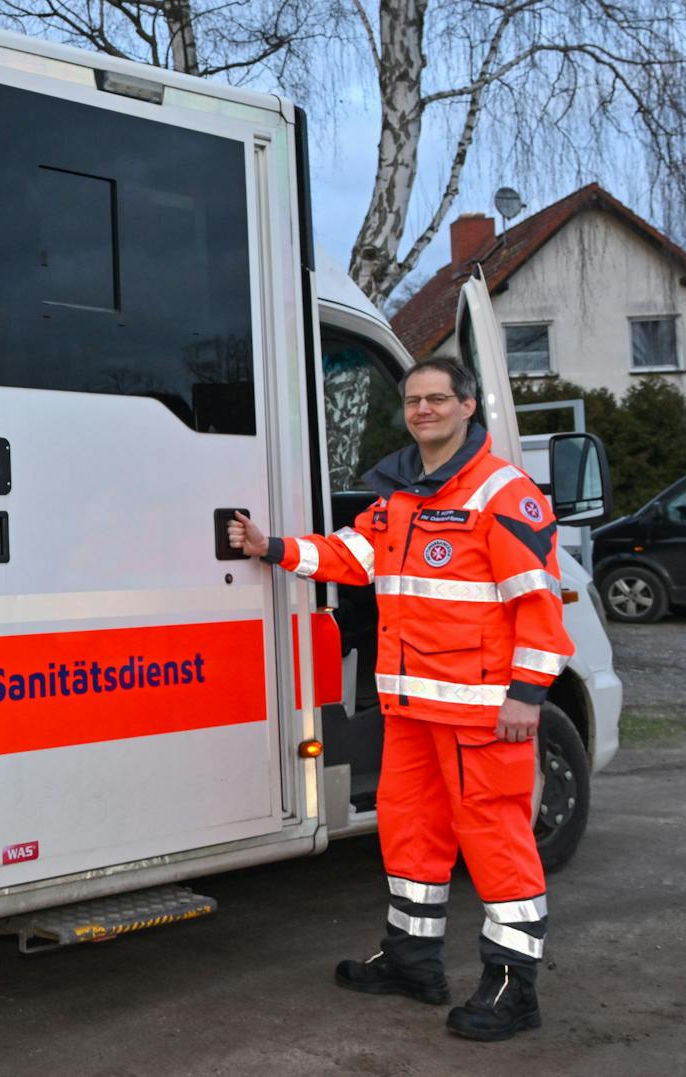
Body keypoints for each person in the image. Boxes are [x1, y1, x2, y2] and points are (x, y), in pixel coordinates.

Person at [229, 356, 568, 1042]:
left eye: (437, 398)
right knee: (410, 835)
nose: (423, 410)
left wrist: (527, 696)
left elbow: (539, 603)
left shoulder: (502, 492)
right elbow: (352, 556)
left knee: (497, 844)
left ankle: (513, 988)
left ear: (468, 405)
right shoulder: (402, 493)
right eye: (414, 399)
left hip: (480, 711)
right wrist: (273, 548)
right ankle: (413, 960)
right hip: (411, 709)